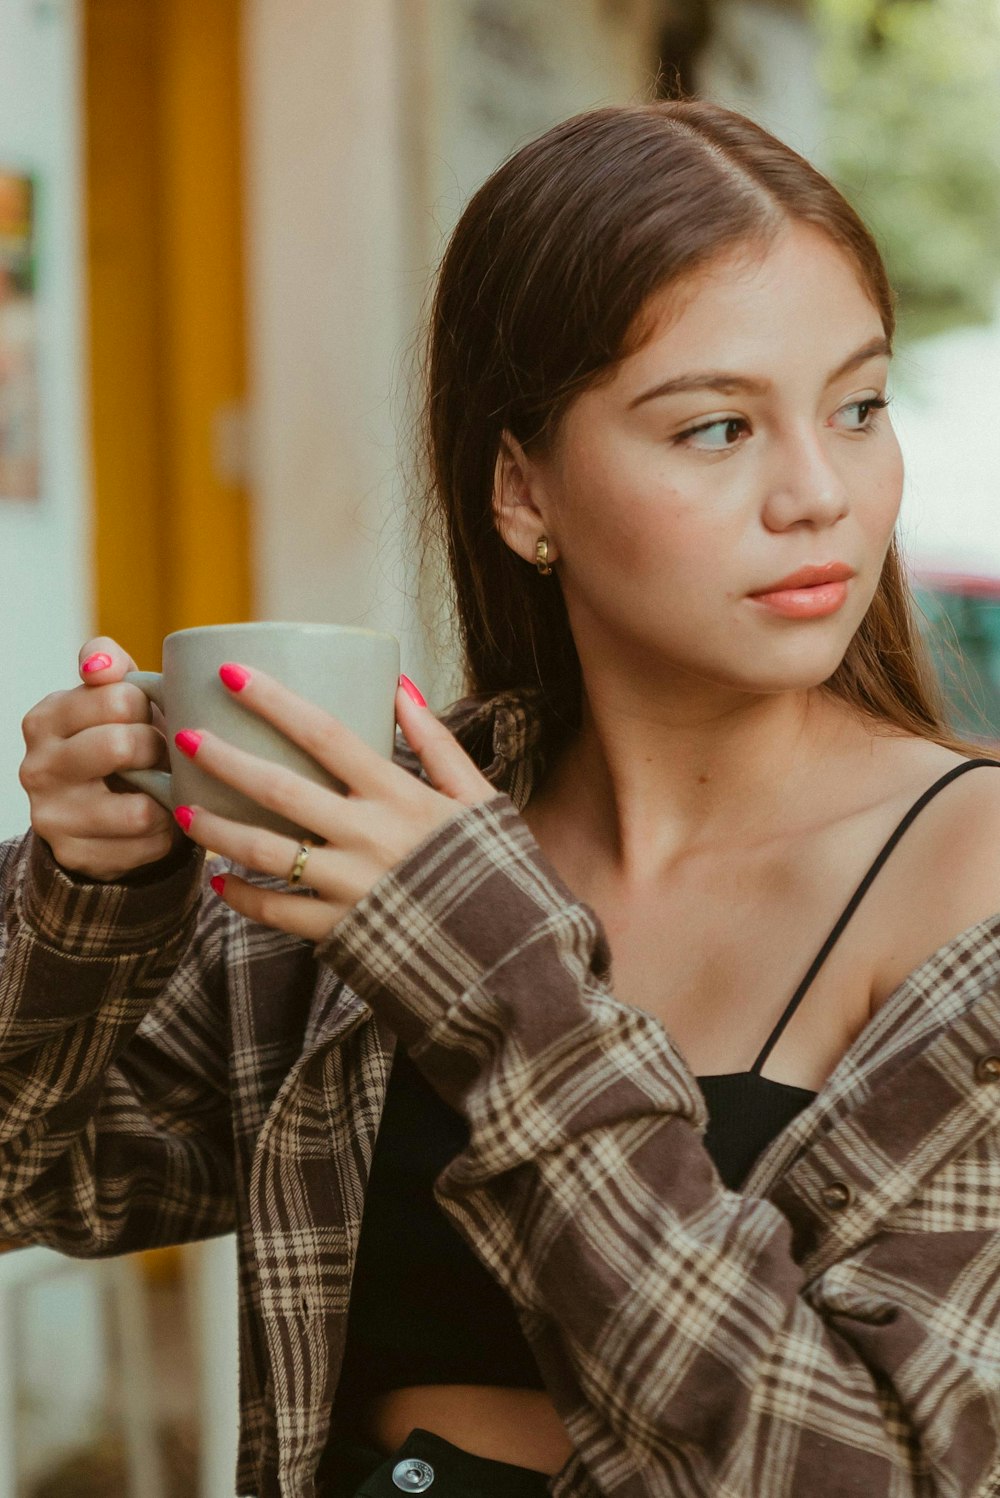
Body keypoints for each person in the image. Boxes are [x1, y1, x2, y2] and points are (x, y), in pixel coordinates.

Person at [3, 99, 1000, 1498]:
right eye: (718, 427)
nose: (820, 492)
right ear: (523, 490)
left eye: (860, 405)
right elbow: (34, 1176)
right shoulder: (380, 838)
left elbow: (864, 1470)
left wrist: (498, 982)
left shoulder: (974, 879)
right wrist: (89, 895)